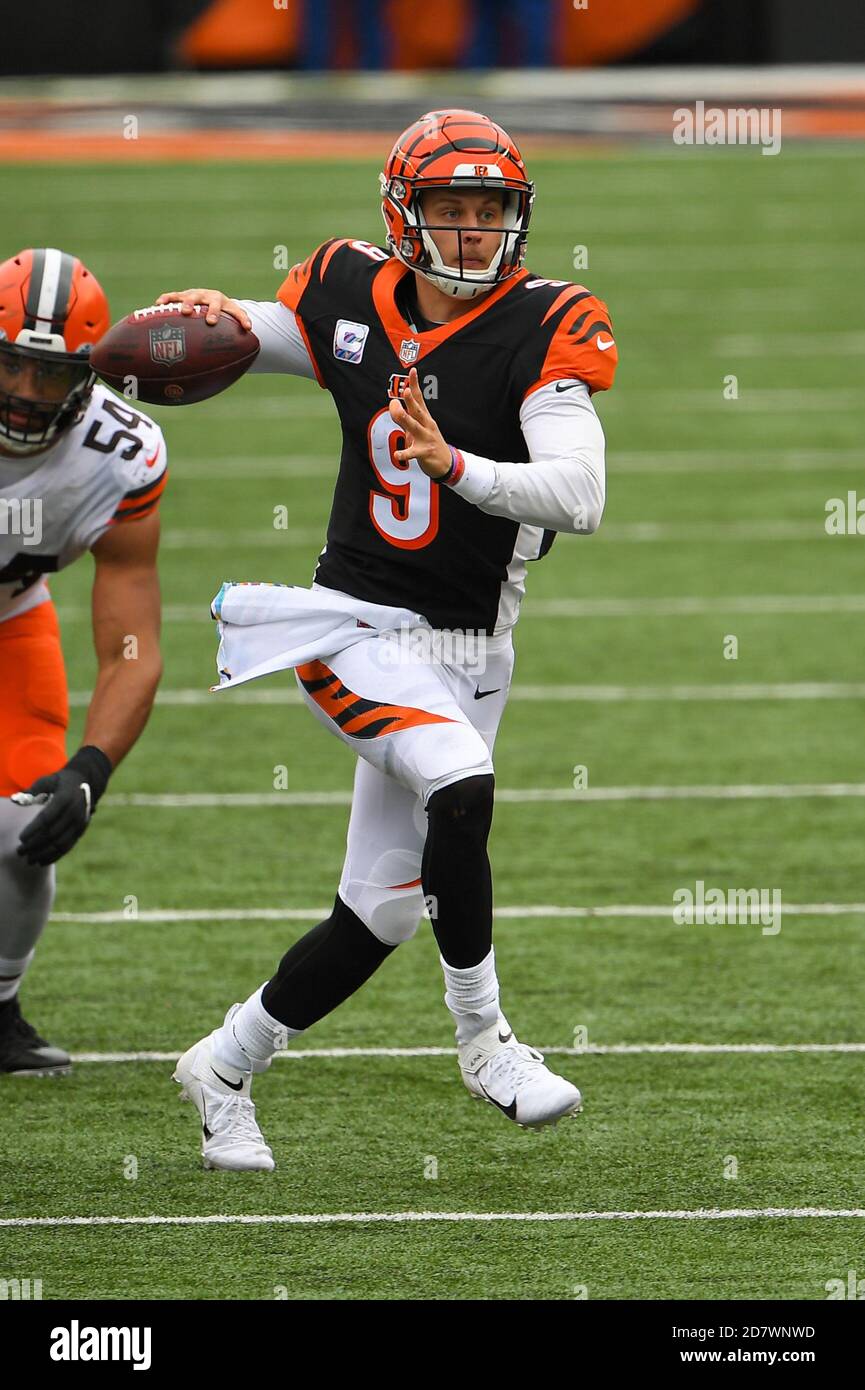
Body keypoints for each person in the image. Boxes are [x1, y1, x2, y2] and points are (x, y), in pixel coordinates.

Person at [160, 109, 617, 1170]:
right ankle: (484, 1040)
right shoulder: (345, 289)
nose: (470, 232)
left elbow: (580, 493)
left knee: (380, 911)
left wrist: (454, 463)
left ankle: (224, 1063)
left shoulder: (546, 322)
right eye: (450, 210)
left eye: (489, 210)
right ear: (402, 215)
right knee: (460, 782)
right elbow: (271, 336)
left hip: (471, 645)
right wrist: (213, 312)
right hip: (350, 625)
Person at [0, 248, 167, 1074]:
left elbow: (132, 645)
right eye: (10, 367)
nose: (27, 394)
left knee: (22, 827)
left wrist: (93, 767)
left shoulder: (117, 452)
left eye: (49, 373)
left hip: (7, 623)